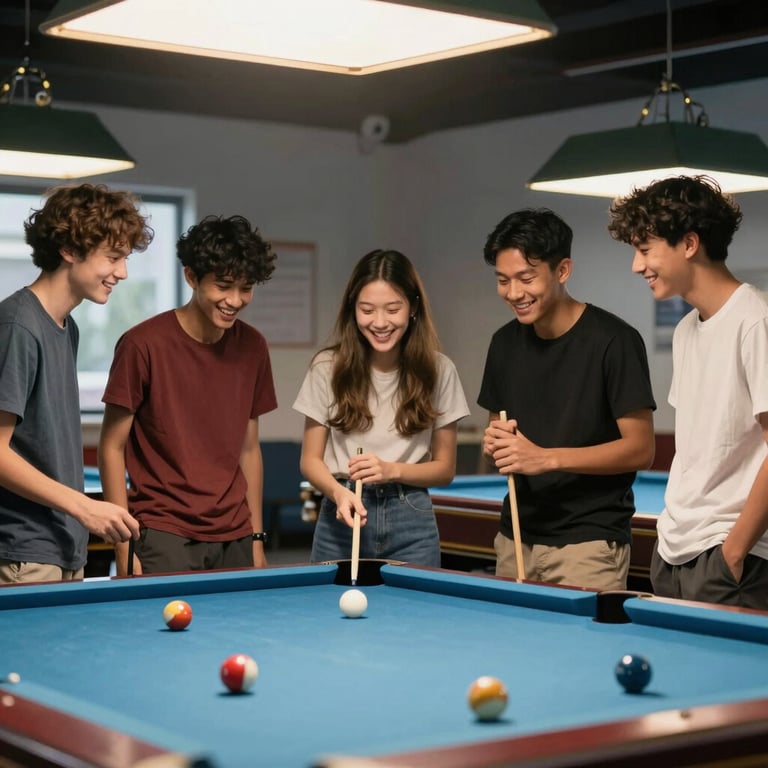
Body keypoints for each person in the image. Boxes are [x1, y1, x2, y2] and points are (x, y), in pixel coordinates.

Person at [608, 175, 768, 609]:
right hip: (674, 551)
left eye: (645, 250)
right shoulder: (685, 329)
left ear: (690, 244)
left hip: (731, 558)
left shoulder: (755, 320)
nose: (637, 266)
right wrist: (668, 539)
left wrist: (733, 552)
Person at [479, 208, 656, 590]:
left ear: (562, 271)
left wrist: (546, 458)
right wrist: (495, 441)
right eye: (503, 280)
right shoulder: (503, 344)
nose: (514, 293)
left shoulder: (614, 341)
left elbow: (641, 449)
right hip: (514, 538)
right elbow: (498, 427)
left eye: (526, 278)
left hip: (588, 543)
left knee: (586, 650)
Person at [99, 214, 278, 576]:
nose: (235, 300)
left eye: (246, 288)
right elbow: (111, 447)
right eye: (224, 286)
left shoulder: (254, 346)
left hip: (236, 533)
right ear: (192, 277)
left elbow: (248, 448)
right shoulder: (142, 345)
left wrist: (257, 537)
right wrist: (122, 544)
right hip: (163, 531)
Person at [0, 183, 154, 584]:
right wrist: (84, 506)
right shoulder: (17, 325)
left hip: (65, 546)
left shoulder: (67, 328)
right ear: (69, 250)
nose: (122, 272)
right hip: (22, 551)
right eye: (113, 257)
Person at [293, 249, 469, 567]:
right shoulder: (326, 367)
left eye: (392, 309)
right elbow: (310, 460)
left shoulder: (440, 370)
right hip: (341, 515)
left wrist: (392, 470)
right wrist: (338, 493)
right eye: (367, 310)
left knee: (415, 617)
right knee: (328, 614)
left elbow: (445, 469)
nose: (380, 322)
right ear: (352, 310)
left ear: (413, 307)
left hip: (412, 520)